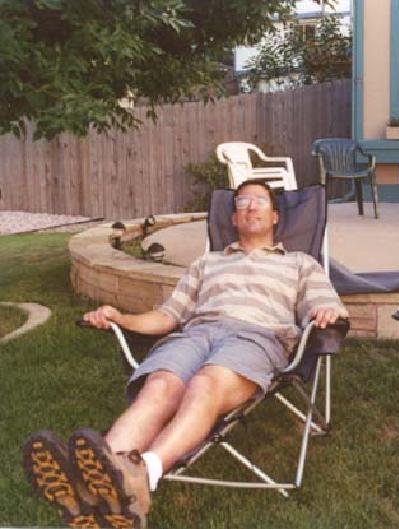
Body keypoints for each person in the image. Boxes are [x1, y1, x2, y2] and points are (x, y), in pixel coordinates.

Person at [22, 180, 348, 529]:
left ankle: (139, 476)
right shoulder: (206, 264)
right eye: (242, 202)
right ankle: (100, 484)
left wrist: (325, 313)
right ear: (234, 219)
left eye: (259, 201)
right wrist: (120, 317)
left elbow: (326, 305)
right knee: (160, 387)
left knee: (206, 384)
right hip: (196, 333)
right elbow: (166, 317)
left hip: (257, 335)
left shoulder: (299, 263)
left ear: (275, 217)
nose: (250, 207)